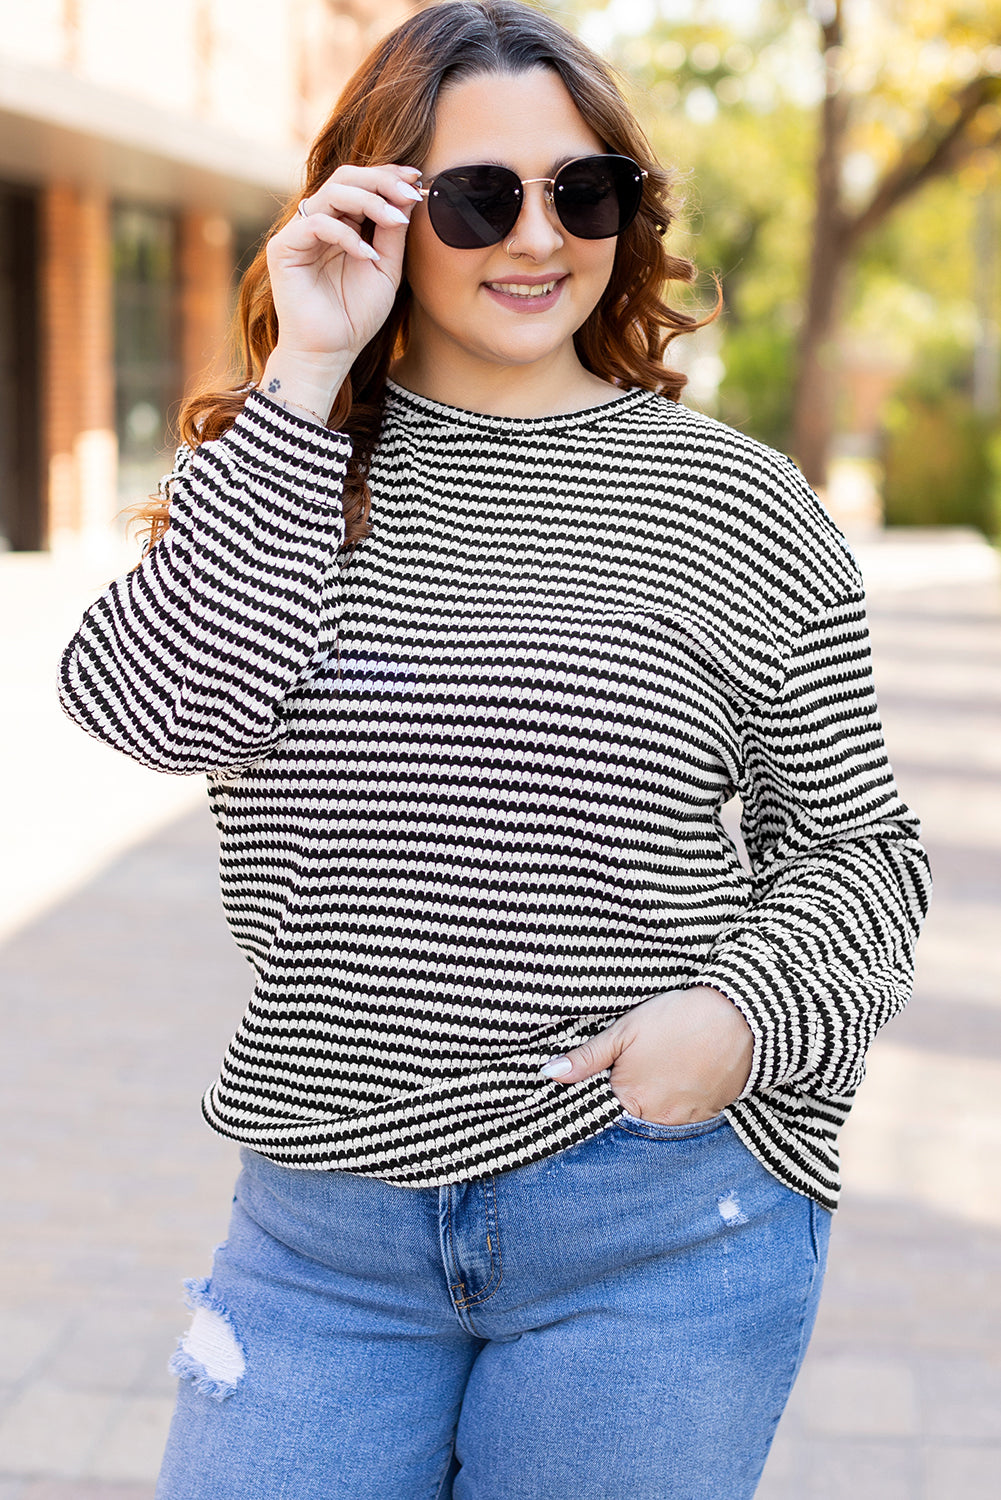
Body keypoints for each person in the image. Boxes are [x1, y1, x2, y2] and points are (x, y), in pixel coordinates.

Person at [57, 3, 931, 1496]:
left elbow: (859, 854)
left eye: (583, 192)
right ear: (377, 207)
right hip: (322, 1234)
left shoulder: (735, 503)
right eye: (479, 197)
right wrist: (305, 378)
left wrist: (740, 1016)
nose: (538, 237)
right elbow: (153, 711)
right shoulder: (283, 467)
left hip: (648, 1226)